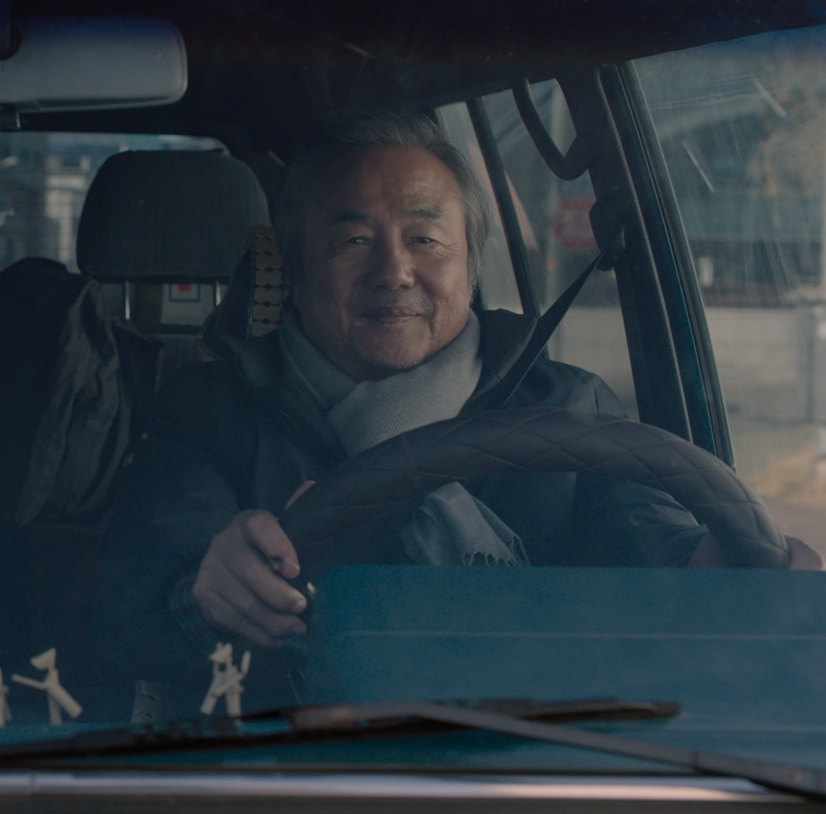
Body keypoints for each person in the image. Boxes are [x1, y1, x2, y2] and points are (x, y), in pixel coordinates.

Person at [94, 111, 821, 712]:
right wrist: (210, 591)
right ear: (296, 268)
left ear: (470, 264)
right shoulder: (211, 408)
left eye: (425, 238)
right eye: (353, 241)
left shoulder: (568, 405)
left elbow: (651, 553)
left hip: (544, 765)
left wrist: (721, 569)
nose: (394, 271)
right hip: (290, 773)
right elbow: (132, 601)